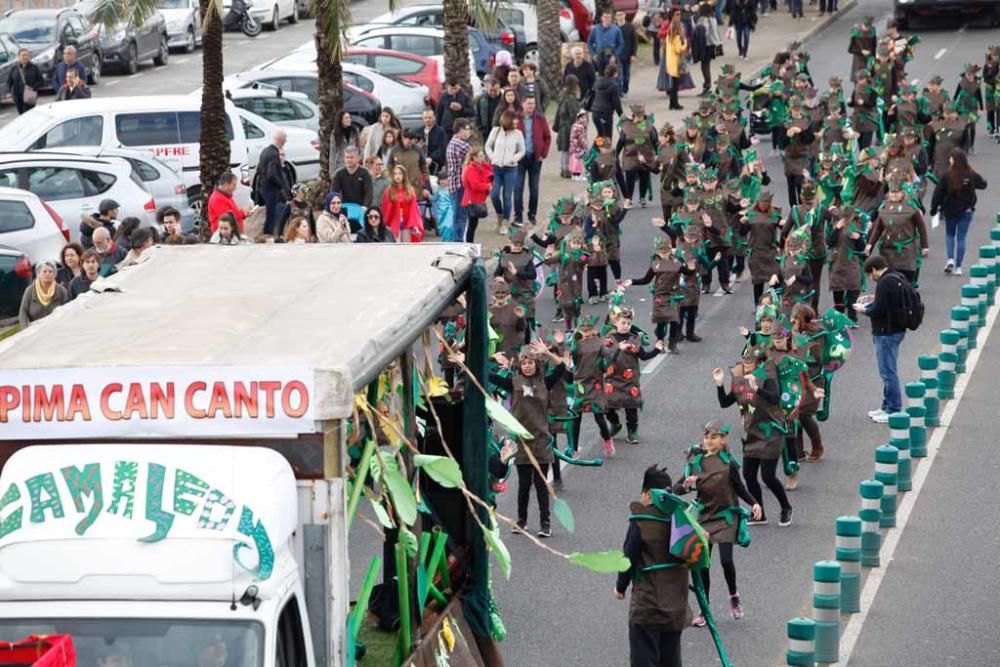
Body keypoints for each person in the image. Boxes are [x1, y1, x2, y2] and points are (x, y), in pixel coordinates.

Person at [676, 419, 762, 625]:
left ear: (723, 440)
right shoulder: (696, 462)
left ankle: (733, 595)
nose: (708, 441)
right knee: (702, 565)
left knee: (725, 561)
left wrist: (754, 503)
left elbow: (740, 487)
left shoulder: (729, 463)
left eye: (713, 437)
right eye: (706, 437)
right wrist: (685, 486)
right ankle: (705, 610)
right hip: (705, 518)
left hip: (726, 517)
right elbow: (678, 487)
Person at [615, 464, 692, 667]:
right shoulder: (681, 518)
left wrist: (620, 586)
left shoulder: (641, 519)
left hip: (648, 605)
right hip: (676, 604)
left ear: (648, 494)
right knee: (671, 660)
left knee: (644, 659)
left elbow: (628, 558)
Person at [489, 338, 566, 538]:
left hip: (541, 440)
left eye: (531, 362)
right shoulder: (513, 383)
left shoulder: (545, 383)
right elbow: (486, 376)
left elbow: (561, 367)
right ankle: (521, 520)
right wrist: (487, 358)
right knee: (524, 484)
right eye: (524, 363)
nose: (527, 366)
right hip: (521, 441)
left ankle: (545, 523)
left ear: (536, 364)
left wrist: (547, 352)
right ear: (519, 365)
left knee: (541, 483)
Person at [714, 342, 794, 527]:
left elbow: (775, 398)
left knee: (767, 476)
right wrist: (719, 384)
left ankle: (786, 507)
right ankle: (760, 513)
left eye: (752, 361)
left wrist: (757, 388)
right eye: (746, 360)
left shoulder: (768, 377)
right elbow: (725, 402)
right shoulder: (739, 380)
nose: (748, 364)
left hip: (771, 431)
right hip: (752, 433)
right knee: (749, 475)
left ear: (759, 363)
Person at [855, 255, 908, 423]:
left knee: (888, 372)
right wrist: (872, 298)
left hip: (886, 333)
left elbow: (878, 310)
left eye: (870, 275)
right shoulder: (897, 276)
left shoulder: (885, 282)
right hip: (896, 330)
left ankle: (893, 409)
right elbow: (887, 303)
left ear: (874, 270)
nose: (871, 278)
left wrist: (863, 309)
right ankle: (886, 405)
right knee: (887, 370)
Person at [603, 306, 665, 443]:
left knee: (631, 407)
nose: (626, 326)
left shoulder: (634, 339)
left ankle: (632, 431)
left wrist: (656, 350)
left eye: (628, 323)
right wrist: (617, 348)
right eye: (623, 323)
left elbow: (644, 356)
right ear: (615, 323)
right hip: (612, 379)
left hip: (630, 380)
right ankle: (615, 423)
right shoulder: (609, 340)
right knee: (607, 405)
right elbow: (605, 357)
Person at [930, 148, 987, 276]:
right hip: (967, 210)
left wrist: (934, 209)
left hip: (950, 210)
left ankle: (950, 259)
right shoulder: (970, 174)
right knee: (961, 237)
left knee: (950, 235)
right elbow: (983, 184)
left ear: (953, 160)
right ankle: (959, 267)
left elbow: (938, 193)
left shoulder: (947, 176)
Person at [865, 176, 929, 285]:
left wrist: (924, 246)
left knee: (905, 281)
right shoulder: (884, 207)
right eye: (892, 192)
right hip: (888, 249)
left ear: (902, 193)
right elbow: (878, 229)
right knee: (888, 280)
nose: (894, 194)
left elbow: (921, 227)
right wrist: (870, 245)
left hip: (906, 249)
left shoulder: (911, 207)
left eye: (897, 192)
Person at [485, 110, 526, 235]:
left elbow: (522, 150)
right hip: (496, 168)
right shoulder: (495, 131)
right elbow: (488, 146)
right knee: (494, 194)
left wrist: (514, 159)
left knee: (507, 196)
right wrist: (492, 157)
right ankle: (499, 214)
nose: (516, 122)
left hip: (511, 169)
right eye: (514, 119)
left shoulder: (518, 134)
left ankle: (505, 222)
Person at [514, 96, 551, 227]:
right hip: (520, 158)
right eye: (529, 103)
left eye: (533, 104)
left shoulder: (540, 118)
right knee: (518, 187)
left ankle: (532, 214)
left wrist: (543, 154)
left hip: (535, 158)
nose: (531, 106)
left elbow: (547, 137)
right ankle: (518, 216)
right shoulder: (516, 118)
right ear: (523, 104)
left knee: (534, 188)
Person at [617, 103, 658, 208]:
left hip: (646, 155)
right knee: (629, 177)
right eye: (638, 115)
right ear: (634, 115)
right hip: (630, 155)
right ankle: (629, 198)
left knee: (644, 177)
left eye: (642, 115)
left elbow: (655, 141)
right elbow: (621, 142)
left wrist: (658, 155)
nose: (640, 118)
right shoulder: (626, 126)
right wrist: (615, 154)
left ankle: (642, 197)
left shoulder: (649, 126)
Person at [256, 129, 290, 236]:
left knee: (270, 213)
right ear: (281, 140)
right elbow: (272, 175)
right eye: (285, 139)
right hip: (271, 190)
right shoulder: (274, 154)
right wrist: (282, 186)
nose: (286, 142)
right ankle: (268, 235)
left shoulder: (265, 151)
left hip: (263, 187)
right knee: (271, 215)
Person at [446, 119, 473, 242]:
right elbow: (477, 157)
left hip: (452, 185)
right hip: (460, 185)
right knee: (460, 216)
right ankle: (458, 242)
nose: (469, 132)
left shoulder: (451, 142)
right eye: (467, 129)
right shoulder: (462, 145)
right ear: (461, 130)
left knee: (456, 215)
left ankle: (457, 240)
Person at [19, 260, 68, 329]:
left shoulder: (61, 290)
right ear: (38, 274)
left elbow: (67, 310)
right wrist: (25, 329)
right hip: (34, 329)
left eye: (50, 271)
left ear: (54, 274)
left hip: (56, 328)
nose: (47, 274)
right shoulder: (30, 290)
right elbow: (23, 311)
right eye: (44, 271)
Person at [381, 165, 423, 242]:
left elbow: (413, 208)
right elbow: (386, 208)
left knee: (406, 246)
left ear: (404, 175)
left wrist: (414, 224)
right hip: (393, 222)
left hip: (407, 222)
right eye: (395, 174)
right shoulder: (388, 191)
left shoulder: (410, 190)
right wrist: (385, 223)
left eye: (400, 174)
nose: (398, 176)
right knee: (396, 245)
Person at [461, 147, 493, 243]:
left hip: (476, 199)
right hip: (472, 200)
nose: (482, 158)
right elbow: (475, 185)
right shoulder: (471, 169)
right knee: (471, 225)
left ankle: (469, 243)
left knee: (473, 224)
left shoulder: (479, 167)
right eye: (479, 156)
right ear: (474, 158)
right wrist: (487, 186)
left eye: (483, 156)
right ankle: (469, 244)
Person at [553, 75, 582, 179]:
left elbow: (558, 113)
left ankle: (563, 168)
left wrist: (556, 126)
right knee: (569, 149)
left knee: (564, 149)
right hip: (569, 127)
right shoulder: (571, 99)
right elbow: (575, 114)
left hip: (562, 127)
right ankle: (567, 169)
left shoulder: (563, 96)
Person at [332, 146, 373, 212]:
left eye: (351, 157)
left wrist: (365, 206)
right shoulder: (339, 174)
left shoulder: (365, 173)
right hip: (344, 207)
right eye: (347, 157)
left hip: (361, 208)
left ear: (357, 158)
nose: (349, 160)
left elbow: (368, 192)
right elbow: (334, 193)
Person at [591, 63, 623, 140]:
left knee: (600, 134)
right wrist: (621, 115)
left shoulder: (598, 81)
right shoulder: (613, 85)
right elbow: (616, 103)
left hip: (595, 111)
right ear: (615, 73)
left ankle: (596, 151)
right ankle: (604, 151)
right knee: (607, 137)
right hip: (605, 113)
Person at [662, 14, 688, 111]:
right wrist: (685, 43)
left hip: (670, 62)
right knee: (675, 86)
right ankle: (675, 103)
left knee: (673, 84)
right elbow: (679, 49)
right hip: (676, 63)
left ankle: (672, 103)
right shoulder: (676, 37)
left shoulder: (669, 37)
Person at [587, 10, 624, 75]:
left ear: (611, 18)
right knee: (600, 77)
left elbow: (621, 44)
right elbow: (589, 42)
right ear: (602, 18)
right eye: (605, 17)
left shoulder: (616, 29)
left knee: (613, 77)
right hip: (599, 56)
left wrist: (614, 56)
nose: (607, 19)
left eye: (609, 17)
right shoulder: (595, 29)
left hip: (611, 56)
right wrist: (593, 55)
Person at [7, 48, 42, 115]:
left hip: (29, 96)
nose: (25, 57)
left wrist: (33, 88)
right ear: (19, 56)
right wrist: (8, 91)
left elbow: (41, 81)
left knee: (28, 114)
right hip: (18, 96)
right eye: (23, 55)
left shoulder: (34, 67)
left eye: (26, 55)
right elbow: (9, 81)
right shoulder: (14, 68)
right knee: (21, 115)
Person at [329, 110, 360, 175]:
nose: (349, 120)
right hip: (341, 164)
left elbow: (358, 147)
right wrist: (332, 172)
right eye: (346, 118)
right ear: (340, 120)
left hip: (353, 164)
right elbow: (332, 152)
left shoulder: (354, 131)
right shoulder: (335, 133)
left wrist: (358, 160)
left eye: (349, 118)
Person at [615, 10, 638, 96]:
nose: (620, 17)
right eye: (618, 15)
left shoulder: (630, 27)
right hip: (617, 55)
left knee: (626, 73)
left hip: (628, 54)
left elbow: (634, 42)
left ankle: (625, 88)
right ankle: (619, 90)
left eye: (621, 15)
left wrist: (633, 54)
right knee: (618, 74)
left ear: (624, 16)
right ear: (616, 17)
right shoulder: (614, 28)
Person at [421, 109, 448, 174]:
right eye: (425, 118)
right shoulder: (419, 132)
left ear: (434, 118)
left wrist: (431, 157)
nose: (427, 120)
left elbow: (442, 148)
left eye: (430, 118)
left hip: (436, 164)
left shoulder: (440, 132)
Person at [568, 108, 589, 181]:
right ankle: (577, 175)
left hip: (573, 147)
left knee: (574, 161)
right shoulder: (580, 127)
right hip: (577, 147)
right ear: (578, 118)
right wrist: (586, 147)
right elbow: (581, 139)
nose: (584, 119)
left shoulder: (575, 125)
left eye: (585, 118)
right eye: (582, 118)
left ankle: (574, 175)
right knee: (577, 162)